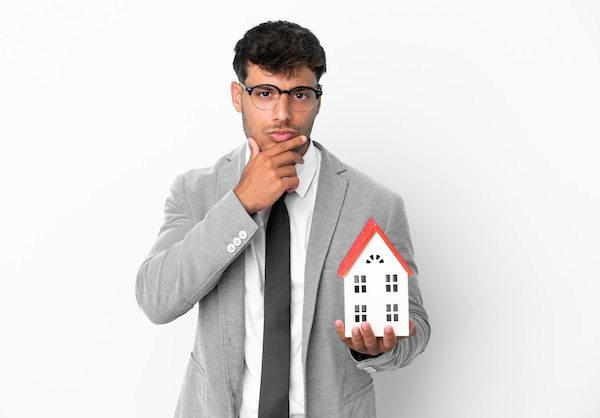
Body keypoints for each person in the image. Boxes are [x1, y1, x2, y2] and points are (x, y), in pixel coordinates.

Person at [136, 20, 430, 418]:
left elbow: (415, 324)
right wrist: (241, 202)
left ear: (318, 100)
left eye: (300, 95)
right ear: (238, 97)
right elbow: (156, 299)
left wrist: (379, 347)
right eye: (264, 93)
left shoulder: (375, 203)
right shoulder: (197, 191)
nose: (282, 113)